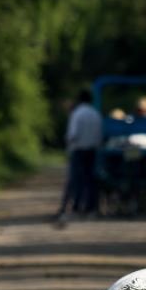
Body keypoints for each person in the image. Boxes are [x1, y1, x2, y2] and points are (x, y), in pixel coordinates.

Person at [57, 89, 103, 221]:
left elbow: (73, 134)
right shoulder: (96, 114)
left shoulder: (77, 114)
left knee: (76, 180)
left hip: (78, 150)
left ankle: (75, 207)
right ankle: (91, 208)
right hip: (92, 151)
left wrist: (68, 143)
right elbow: (99, 135)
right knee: (90, 180)